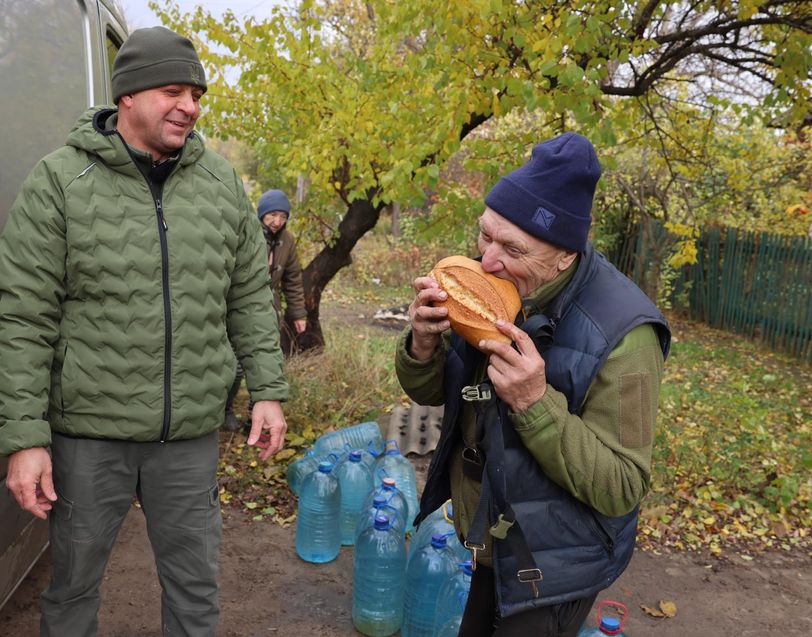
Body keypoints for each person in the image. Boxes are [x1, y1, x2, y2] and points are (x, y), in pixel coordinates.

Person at [0, 27, 288, 636]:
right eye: (173, 90)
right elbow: (24, 317)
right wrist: (25, 438)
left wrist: (267, 388)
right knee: (73, 589)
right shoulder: (60, 182)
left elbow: (248, 296)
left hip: (187, 439)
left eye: (197, 94)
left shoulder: (219, 187)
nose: (190, 105)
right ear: (127, 95)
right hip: (88, 438)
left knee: (195, 592)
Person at [396, 132, 671, 637]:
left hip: (556, 565)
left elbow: (623, 485)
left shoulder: (627, 336)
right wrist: (422, 346)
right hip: (492, 542)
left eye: (512, 248)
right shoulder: (494, 288)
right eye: (485, 236)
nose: (488, 261)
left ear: (564, 256)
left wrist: (536, 403)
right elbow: (434, 393)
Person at [223, 188, 306, 431]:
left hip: (270, 312)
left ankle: (254, 419)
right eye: (272, 216)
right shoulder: (247, 234)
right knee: (237, 368)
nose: (277, 222)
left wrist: (298, 313)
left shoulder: (287, 241)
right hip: (241, 310)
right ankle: (225, 411)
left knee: (267, 367)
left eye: (282, 216)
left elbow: (293, 279)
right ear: (261, 215)